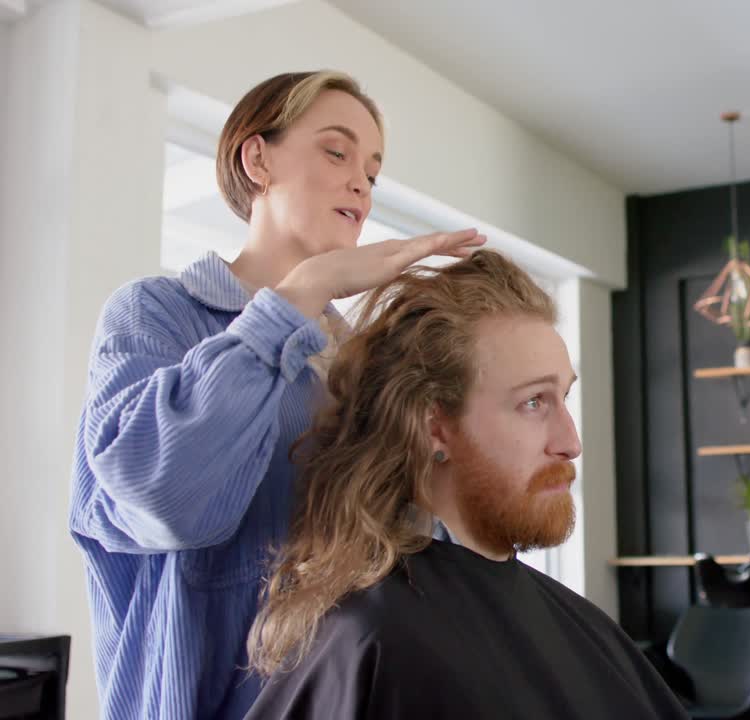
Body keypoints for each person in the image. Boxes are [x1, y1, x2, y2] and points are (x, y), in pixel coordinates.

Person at [70, 70, 485, 719]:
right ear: (256, 158)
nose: (361, 184)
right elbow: (165, 498)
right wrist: (298, 296)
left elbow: (413, 557)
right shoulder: (157, 315)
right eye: (336, 150)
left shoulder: (368, 365)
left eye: (373, 173)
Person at [242, 250, 687, 719]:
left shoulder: (582, 625)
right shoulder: (369, 641)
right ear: (435, 428)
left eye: (563, 397)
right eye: (534, 402)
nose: (570, 442)